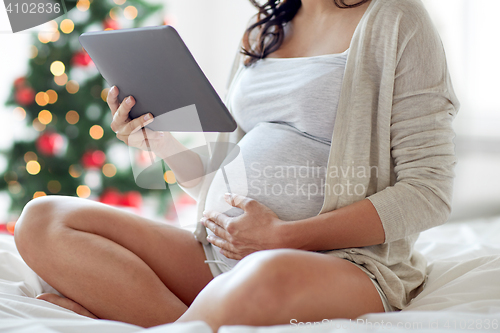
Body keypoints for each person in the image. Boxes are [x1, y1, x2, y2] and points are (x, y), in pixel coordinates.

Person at [14, 0, 460, 331]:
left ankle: (142, 318)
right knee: (42, 219)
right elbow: (227, 175)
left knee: (260, 274)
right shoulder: (264, 28)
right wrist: (159, 140)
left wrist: (282, 237)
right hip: (221, 250)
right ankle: (184, 321)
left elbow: (429, 193)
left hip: (340, 262)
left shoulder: (397, 19)